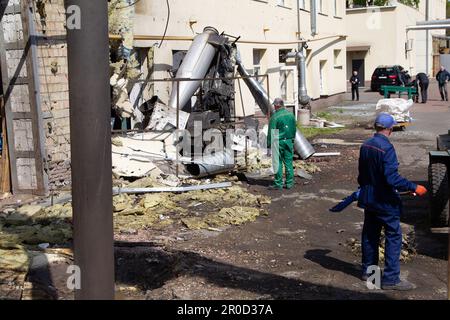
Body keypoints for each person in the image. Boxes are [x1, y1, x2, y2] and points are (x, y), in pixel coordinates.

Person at [357, 113, 427, 291]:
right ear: (390, 129)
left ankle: (369, 273)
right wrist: (413, 187)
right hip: (385, 201)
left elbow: (361, 176)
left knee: (370, 236)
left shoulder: (366, 145)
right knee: (393, 237)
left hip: (369, 198)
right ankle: (391, 279)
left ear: (376, 127)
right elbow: (391, 178)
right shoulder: (386, 148)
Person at [267, 98, 296, 190]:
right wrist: (292, 139)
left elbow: (272, 132)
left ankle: (278, 184)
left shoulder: (275, 117)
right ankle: (289, 183)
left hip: (278, 142)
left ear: (276, 105)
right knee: (288, 162)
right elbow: (294, 129)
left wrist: (268, 144)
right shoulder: (291, 115)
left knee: (277, 162)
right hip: (288, 141)